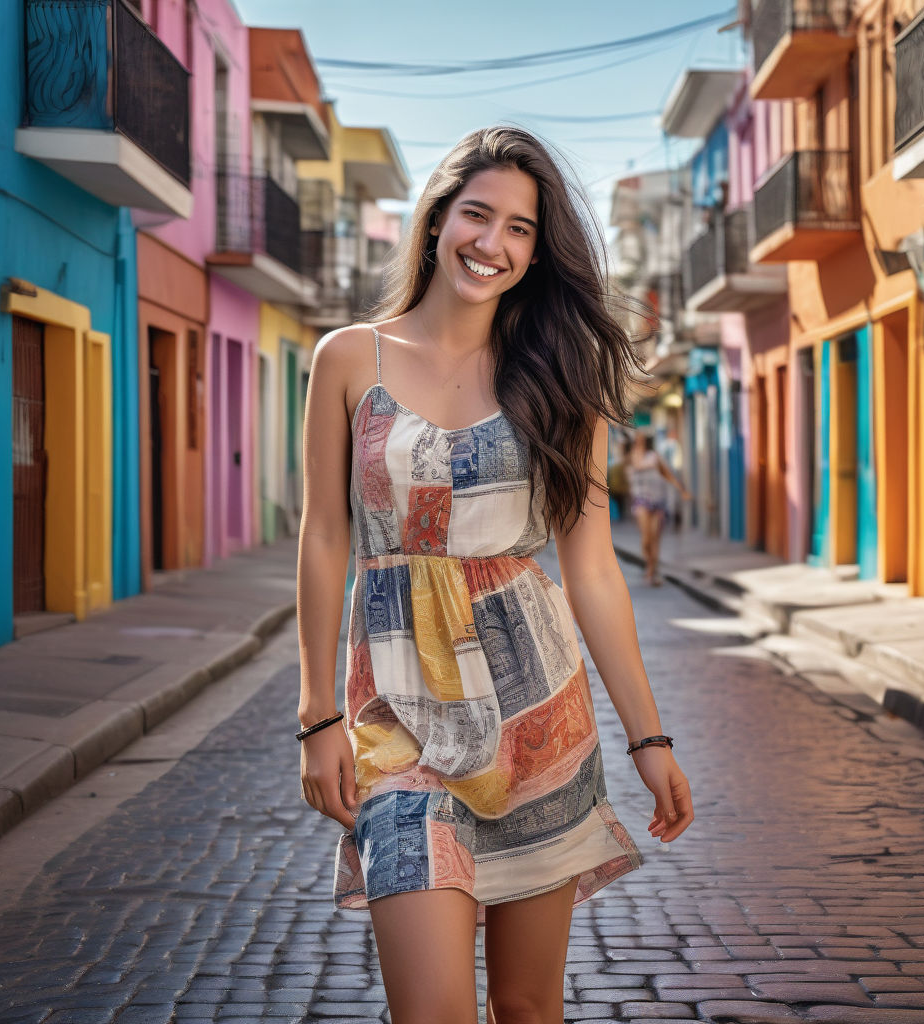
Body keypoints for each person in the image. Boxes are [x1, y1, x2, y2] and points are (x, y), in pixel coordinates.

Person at [296, 126, 694, 1024]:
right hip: (395, 720)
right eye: (478, 215)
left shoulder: (562, 373)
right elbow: (326, 537)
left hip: (537, 718)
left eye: (521, 229)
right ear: (438, 220)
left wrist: (650, 739)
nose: (494, 244)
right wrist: (315, 714)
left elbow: (591, 570)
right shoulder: (351, 358)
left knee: (524, 1006)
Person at [626, 429, 692, 587]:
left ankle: (652, 571)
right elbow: (634, 467)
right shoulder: (630, 458)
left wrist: (682, 490)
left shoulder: (654, 457)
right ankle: (649, 564)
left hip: (658, 501)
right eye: (638, 439)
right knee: (646, 540)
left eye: (642, 439)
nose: (640, 442)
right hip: (641, 501)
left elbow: (668, 474)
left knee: (655, 539)